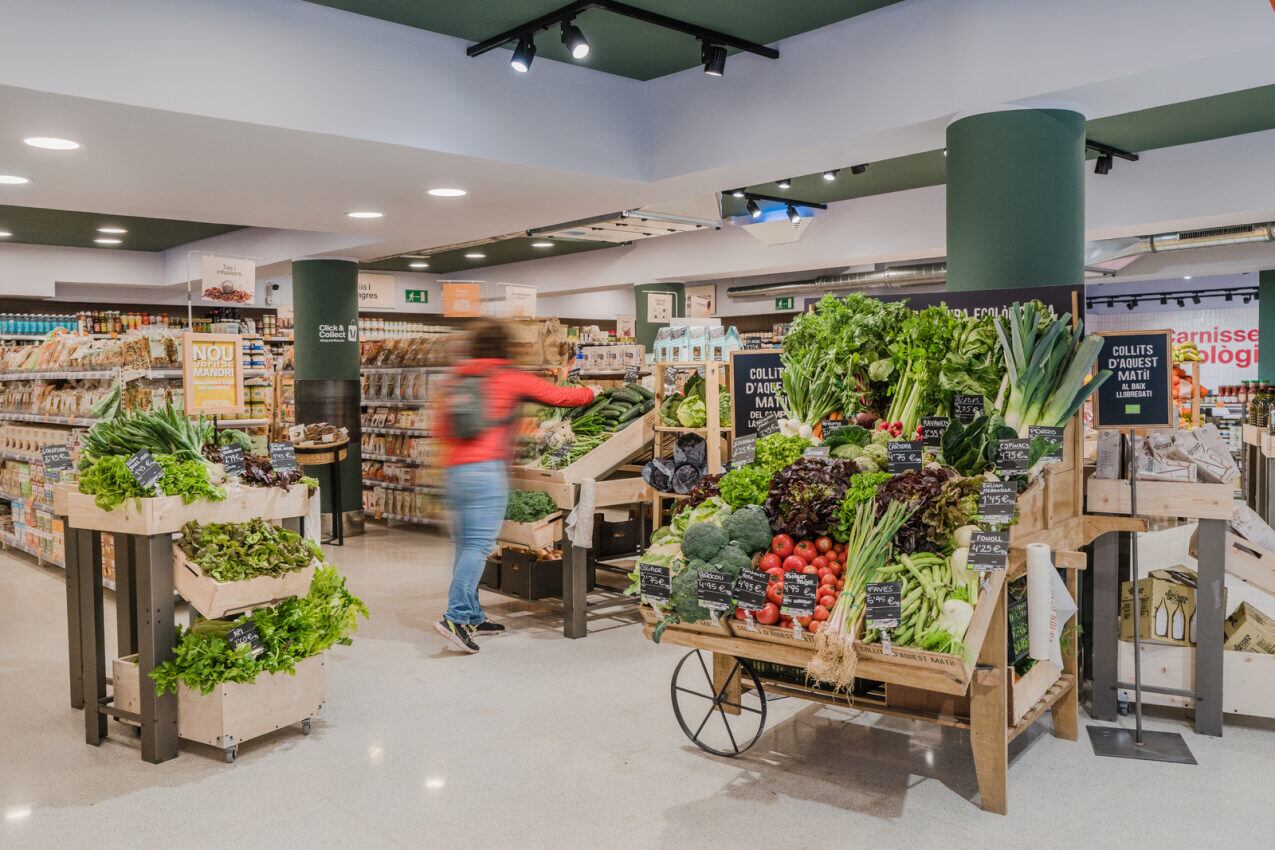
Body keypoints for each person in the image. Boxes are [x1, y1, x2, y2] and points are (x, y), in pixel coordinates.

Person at [432, 319, 596, 653]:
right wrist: (594, 392)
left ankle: (473, 615)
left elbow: (441, 427)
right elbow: (558, 396)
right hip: (485, 471)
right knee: (478, 546)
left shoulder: (458, 377)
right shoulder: (507, 376)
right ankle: (456, 616)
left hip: (455, 471)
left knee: (465, 546)